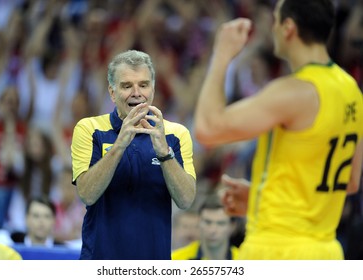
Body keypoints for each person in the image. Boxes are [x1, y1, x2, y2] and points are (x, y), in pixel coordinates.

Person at [194, 0, 363, 260]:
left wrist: (221, 55)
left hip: (276, 251)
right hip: (325, 253)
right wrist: (262, 199)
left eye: (275, 20)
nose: (271, 28)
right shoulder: (351, 90)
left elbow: (208, 128)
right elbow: (349, 182)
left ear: (288, 28)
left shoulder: (294, 91)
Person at [71, 49, 196, 260]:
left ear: (153, 89)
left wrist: (164, 153)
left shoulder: (176, 134)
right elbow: (87, 193)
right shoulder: (89, 128)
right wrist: (120, 144)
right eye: (127, 86)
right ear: (112, 93)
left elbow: (186, 200)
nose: (136, 93)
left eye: (143, 85)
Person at [172, 194, 238, 260]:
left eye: (220, 223)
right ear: (198, 223)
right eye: (207, 222)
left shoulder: (244, 258)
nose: (212, 230)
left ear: (232, 227)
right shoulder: (176, 259)